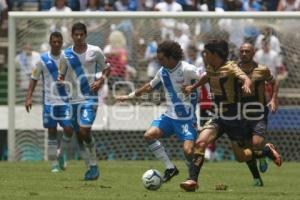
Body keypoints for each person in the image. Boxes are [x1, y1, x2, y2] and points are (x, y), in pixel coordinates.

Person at [180, 39, 281, 191]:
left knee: (241, 157)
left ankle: (266, 151)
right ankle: (192, 180)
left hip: (235, 118)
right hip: (218, 116)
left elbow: (245, 77)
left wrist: (246, 83)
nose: (204, 55)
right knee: (200, 142)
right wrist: (193, 87)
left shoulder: (232, 67)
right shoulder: (209, 66)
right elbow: (207, 76)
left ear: (214, 54)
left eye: (206, 53)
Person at [116, 40, 200, 183]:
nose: (159, 61)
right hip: (169, 117)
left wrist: (193, 87)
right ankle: (170, 168)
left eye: (161, 59)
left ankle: (192, 178)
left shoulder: (187, 69)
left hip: (187, 118)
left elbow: (205, 76)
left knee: (188, 151)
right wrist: (128, 96)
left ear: (171, 57)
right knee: (149, 135)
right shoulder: (162, 72)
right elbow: (149, 87)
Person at [58, 22, 110, 181]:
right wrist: (60, 80)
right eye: (76, 35)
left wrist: (101, 81)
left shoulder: (95, 51)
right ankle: (90, 167)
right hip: (73, 99)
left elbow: (107, 67)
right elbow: (61, 74)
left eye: (82, 34)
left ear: (85, 35)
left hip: (90, 97)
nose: (79, 37)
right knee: (79, 134)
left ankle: (93, 166)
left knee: (84, 130)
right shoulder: (65, 55)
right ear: (72, 36)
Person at [25, 32, 73, 172]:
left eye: (59, 42)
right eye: (54, 42)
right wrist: (29, 97)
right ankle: (54, 164)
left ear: (62, 42)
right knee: (52, 132)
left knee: (69, 129)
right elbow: (34, 79)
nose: (57, 44)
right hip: (49, 103)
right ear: (50, 43)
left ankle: (61, 153)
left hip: (65, 102)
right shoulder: (42, 59)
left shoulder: (68, 58)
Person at [235, 42, 281, 186]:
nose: (244, 54)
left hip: (258, 112)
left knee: (256, 143)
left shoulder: (262, 69)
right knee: (246, 149)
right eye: (241, 51)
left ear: (254, 52)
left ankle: (263, 150)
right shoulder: (233, 69)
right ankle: (257, 177)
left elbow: (274, 82)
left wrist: (273, 99)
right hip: (240, 113)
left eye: (247, 51)